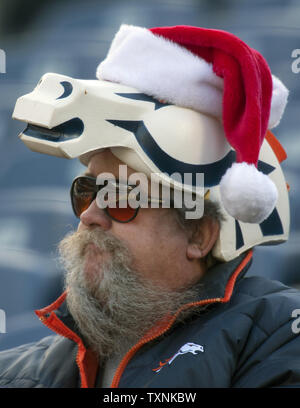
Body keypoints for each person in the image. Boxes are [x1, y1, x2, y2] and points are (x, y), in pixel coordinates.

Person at [1, 24, 300, 388]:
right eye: (86, 191)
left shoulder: (280, 335)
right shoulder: (18, 372)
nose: (90, 215)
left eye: (121, 198)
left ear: (200, 235)